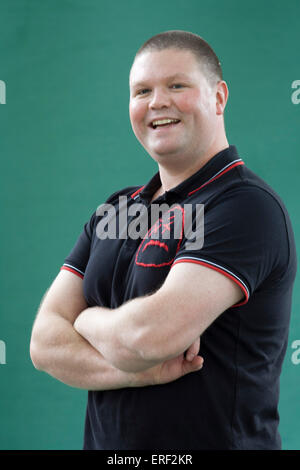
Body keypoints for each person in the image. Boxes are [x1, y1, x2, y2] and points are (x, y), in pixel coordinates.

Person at [30, 30, 297, 450]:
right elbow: (44, 343)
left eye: (177, 85)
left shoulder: (246, 207)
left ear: (218, 97)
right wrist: (140, 370)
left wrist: (84, 320)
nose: (157, 102)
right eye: (142, 91)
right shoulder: (116, 209)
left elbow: (149, 337)